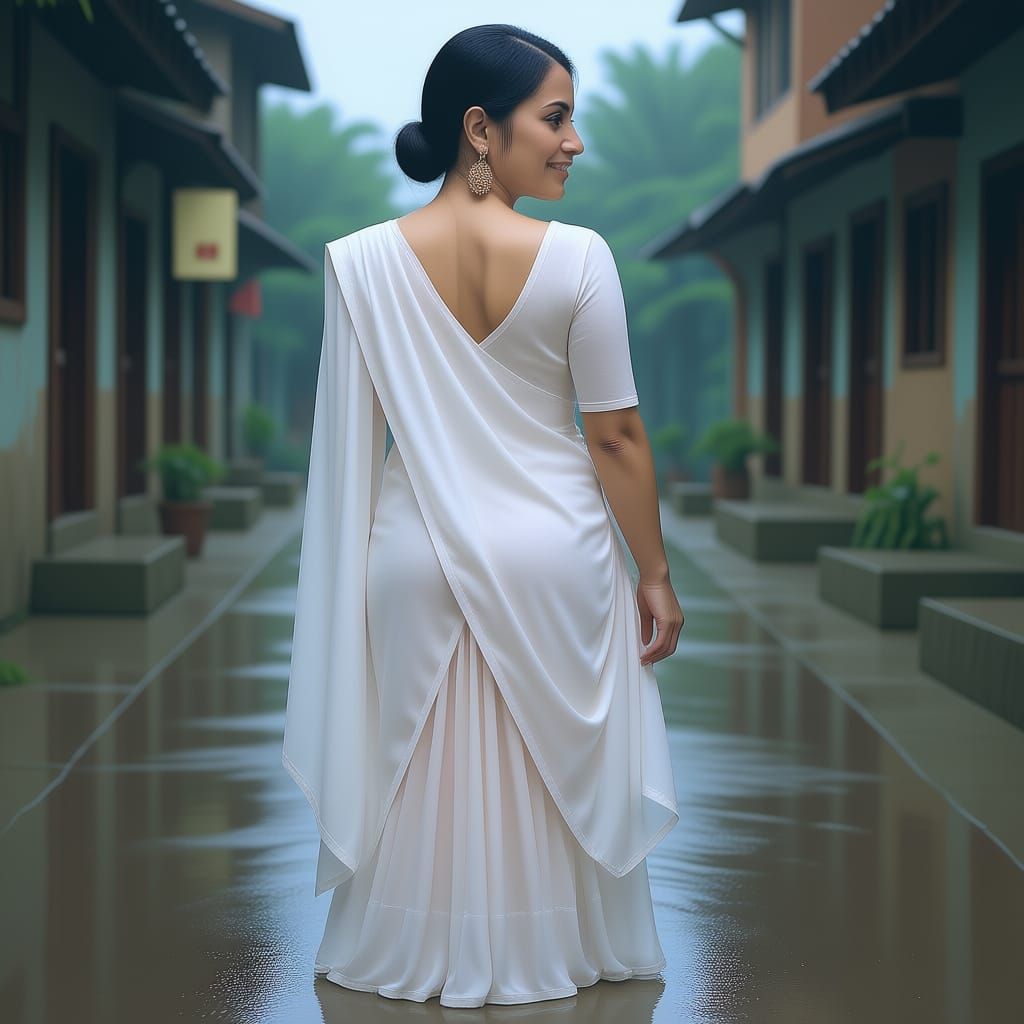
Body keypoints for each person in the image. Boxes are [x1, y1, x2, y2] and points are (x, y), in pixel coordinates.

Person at [281, 23, 685, 1009]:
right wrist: (655, 571)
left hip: (410, 555)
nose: (572, 139)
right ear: (479, 128)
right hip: (555, 555)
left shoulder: (361, 264)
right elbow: (617, 436)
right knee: (548, 764)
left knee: (423, 767)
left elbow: (353, 445)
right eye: (554, 117)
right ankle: (549, 949)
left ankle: (413, 946)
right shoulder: (577, 259)